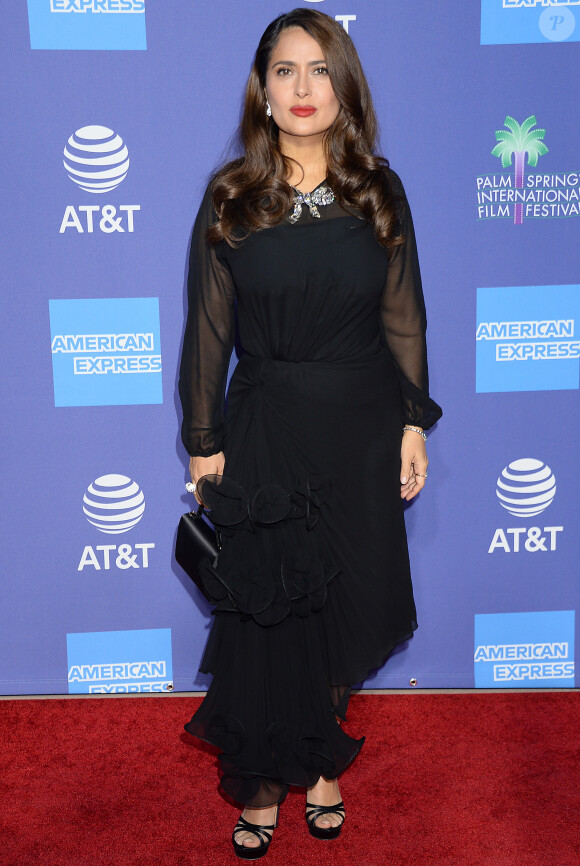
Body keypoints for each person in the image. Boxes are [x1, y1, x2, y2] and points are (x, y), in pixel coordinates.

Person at [179, 8, 442, 859]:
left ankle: (321, 762)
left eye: (320, 70)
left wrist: (413, 421)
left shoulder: (378, 189)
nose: (303, 88)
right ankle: (261, 783)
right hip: (267, 427)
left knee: (341, 607)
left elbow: (406, 318)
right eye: (285, 70)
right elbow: (207, 331)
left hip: (362, 426)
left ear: (344, 86)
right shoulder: (232, 196)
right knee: (274, 615)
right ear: (261, 88)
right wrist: (203, 437)